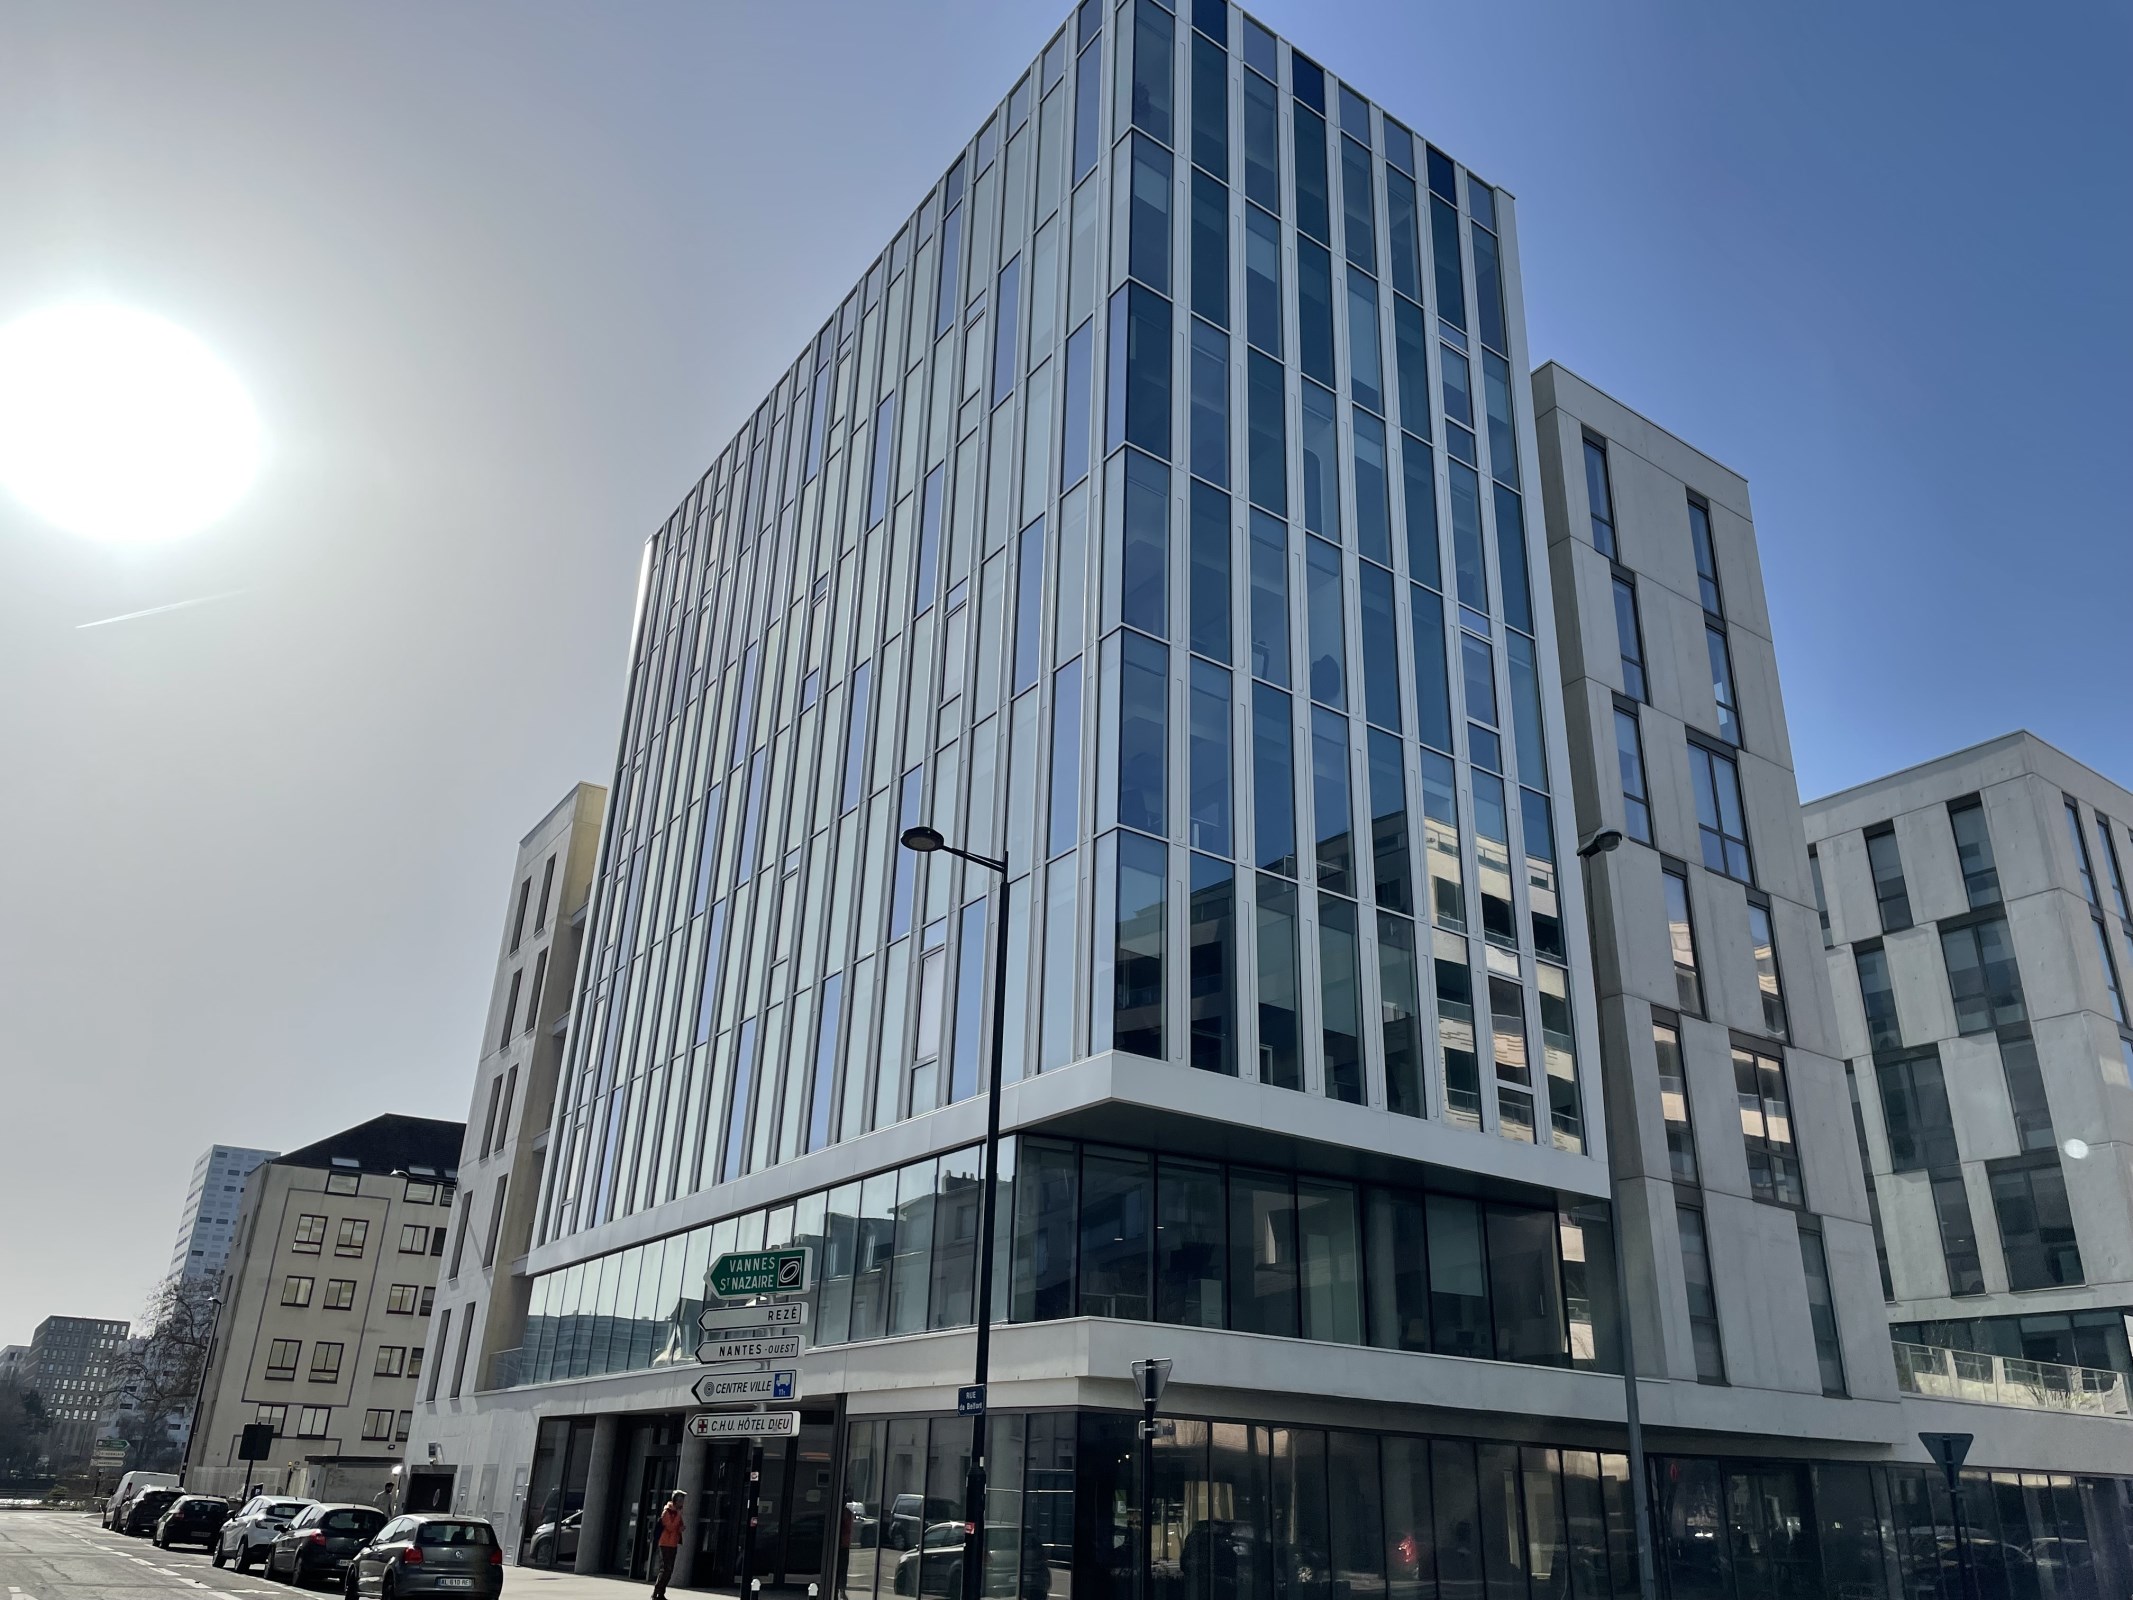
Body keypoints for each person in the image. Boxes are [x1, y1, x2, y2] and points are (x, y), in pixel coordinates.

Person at [651, 1490, 687, 1600]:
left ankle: (661, 1593)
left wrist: (681, 1528)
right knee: (665, 1569)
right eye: (680, 1501)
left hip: (673, 1544)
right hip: (665, 1544)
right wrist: (678, 1516)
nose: (682, 1503)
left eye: (682, 1501)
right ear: (675, 1501)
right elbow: (670, 1527)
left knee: (669, 1570)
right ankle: (656, 1592)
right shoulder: (667, 1512)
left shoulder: (677, 1513)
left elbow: (678, 1527)